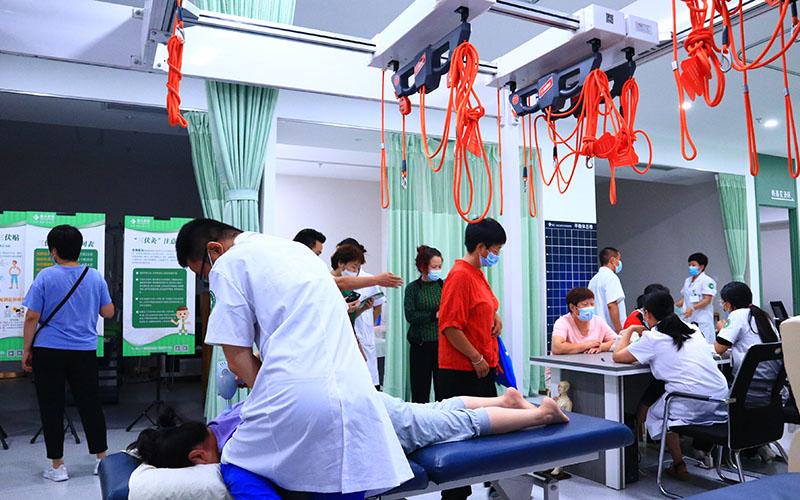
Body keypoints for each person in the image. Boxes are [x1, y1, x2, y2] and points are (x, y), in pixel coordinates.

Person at [175, 219, 411, 496]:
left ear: (214, 249)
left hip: (298, 397)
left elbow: (237, 359)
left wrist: (266, 395)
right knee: (344, 477)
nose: (208, 278)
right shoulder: (299, 252)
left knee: (236, 461)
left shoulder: (228, 263)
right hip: (360, 394)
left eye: (203, 273)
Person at [129, 389, 569, 499]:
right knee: (431, 412)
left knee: (458, 425)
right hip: (357, 400)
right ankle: (504, 400)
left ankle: (540, 415)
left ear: (197, 455)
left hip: (365, 422)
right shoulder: (227, 416)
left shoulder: (237, 452)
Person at [21, 225, 115, 481]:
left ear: (53, 251)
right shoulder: (94, 276)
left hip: (48, 351)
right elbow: (108, 312)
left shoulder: (45, 277)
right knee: (90, 404)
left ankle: (58, 466)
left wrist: (26, 350)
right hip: (84, 351)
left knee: (51, 406)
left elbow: (31, 317)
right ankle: (102, 460)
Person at [613, 291, 728, 481]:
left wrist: (630, 330)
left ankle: (678, 464)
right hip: (720, 398)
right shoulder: (693, 329)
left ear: (647, 314)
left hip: (690, 400)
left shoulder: (653, 338)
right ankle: (688, 459)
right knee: (664, 404)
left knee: (654, 414)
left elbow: (618, 356)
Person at [437, 217, 505, 500]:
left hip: (482, 366)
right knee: (460, 441)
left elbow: (483, 305)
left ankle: (494, 486)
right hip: (462, 371)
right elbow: (450, 326)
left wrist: (495, 317)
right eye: (496, 250)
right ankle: (455, 495)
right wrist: (476, 358)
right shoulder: (460, 275)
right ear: (481, 247)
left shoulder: (476, 273)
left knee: (487, 434)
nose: (497, 255)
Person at [332, 240, 383, 388]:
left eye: (358, 267)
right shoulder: (330, 282)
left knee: (367, 383)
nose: (355, 271)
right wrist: (346, 308)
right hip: (341, 339)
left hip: (359, 336)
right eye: (354, 266)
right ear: (341, 263)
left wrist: (362, 309)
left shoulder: (365, 279)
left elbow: (377, 307)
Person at [715, 281, 780, 380]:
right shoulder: (762, 315)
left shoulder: (737, 315)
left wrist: (722, 329)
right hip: (771, 379)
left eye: (723, 302)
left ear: (728, 304)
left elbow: (718, 349)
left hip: (750, 381)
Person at [404, 245, 444, 403]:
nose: (438, 270)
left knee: (443, 391)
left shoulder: (444, 286)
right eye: (434, 267)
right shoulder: (412, 289)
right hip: (420, 345)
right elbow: (410, 316)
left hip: (442, 345)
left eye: (440, 266)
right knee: (420, 392)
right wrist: (434, 315)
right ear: (423, 267)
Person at [551, 287, 617, 355]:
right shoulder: (562, 322)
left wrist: (602, 347)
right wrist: (586, 345)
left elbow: (617, 341)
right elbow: (556, 347)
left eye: (592, 304)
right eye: (585, 304)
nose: (589, 307)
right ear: (572, 307)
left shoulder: (598, 321)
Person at [676, 252, 718, 343]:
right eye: (689, 265)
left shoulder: (707, 281)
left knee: (704, 343)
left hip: (702, 320)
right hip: (688, 319)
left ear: (701, 267)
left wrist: (692, 308)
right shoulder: (687, 281)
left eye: (693, 265)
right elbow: (685, 297)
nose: (690, 267)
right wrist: (675, 306)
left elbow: (707, 300)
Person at [587, 247, 626, 332]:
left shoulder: (594, 280)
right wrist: (619, 331)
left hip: (597, 329)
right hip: (610, 330)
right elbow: (612, 305)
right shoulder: (611, 277)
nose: (619, 263)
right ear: (612, 260)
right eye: (618, 259)